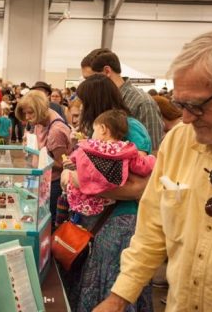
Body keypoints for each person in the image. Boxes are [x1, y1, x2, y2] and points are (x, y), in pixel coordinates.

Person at [93, 31, 212, 312]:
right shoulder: (180, 140)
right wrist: (119, 298)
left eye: (197, 106)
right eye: (181, 105)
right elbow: (152, 228)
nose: (187, 118)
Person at [64, 74, 153, 312]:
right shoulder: (95, 130)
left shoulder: (131, 128)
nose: (80, 109)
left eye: (83, 103)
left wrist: (81, 182)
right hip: (96, 223)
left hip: (118, 222)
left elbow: (139, 186)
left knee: (115, 290)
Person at [61, 110, 155, 216]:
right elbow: (141, 166)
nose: (92, 134)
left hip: (87, 198)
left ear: (103, 129)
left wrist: (70, 162)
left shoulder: (89, 146)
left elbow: (75, 158)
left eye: (94, 130)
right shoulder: (126, 149)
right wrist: (152, 160)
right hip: (112, 198)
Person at [81, 48, 164, 151]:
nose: (85, 85)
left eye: (89, 79)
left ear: (107, 71)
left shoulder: (143, 103)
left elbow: (155, 150)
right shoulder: (95, 100)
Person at [15, 90, 73, 226]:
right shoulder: (40, 120)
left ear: (40, 109)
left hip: (54, 184)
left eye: (30, 113)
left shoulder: (56, 131)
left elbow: (63, 164)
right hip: (43, 180)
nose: (27, 117)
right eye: (25, 113)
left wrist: (39, 154)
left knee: (48, 223)